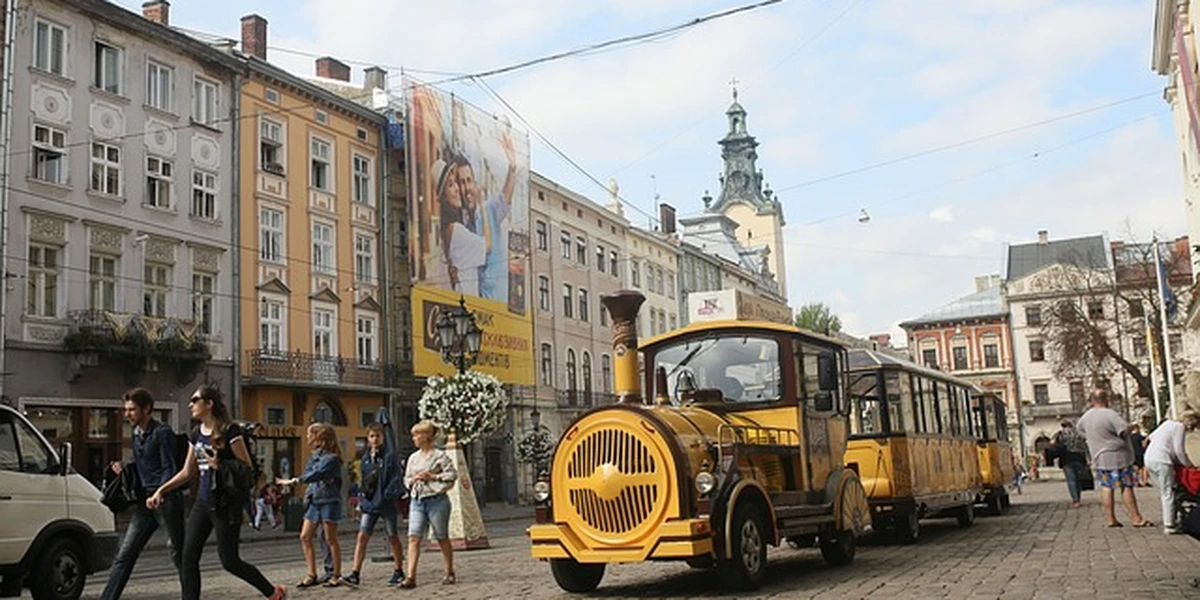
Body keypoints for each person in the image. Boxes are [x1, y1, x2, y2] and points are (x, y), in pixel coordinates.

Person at [146, 385, 286, 600]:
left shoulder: (230, 431)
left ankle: (273, 592)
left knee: (230, 561)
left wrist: (219, 465)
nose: (190, 405)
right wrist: (161, 491)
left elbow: (247, 468)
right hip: (203, 502)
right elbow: (187, 472)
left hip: (225, 503)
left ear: (209, 404)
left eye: (195, 400)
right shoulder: (196, 433)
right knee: (187, 558)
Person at [100, 388, 187, 600]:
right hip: (145, 502)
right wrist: (124, 467)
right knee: (125, 554)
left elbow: (169, 467)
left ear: (146, 409)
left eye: (132, 410)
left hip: (167, 500)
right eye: (126, 410)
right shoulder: (136, 433)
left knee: (178, 554)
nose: (127, 414)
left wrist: (160, 492)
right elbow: (143, 465)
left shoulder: (162, 432)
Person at [277, 423, 347, 588]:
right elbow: (309, 472)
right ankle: (311, 574)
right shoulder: (315, 456)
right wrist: (300, 480)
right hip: (314, 501)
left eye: (310, 434)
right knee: (305, 536)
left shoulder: (332, 459)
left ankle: (336, 575)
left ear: (319, 437)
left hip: (328, 501)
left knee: (330, 538)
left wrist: (295, 481)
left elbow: (316, 474)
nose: (307, 437)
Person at [1076, 388, 1153, 528]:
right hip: (1118, 456)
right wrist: (1132, 427)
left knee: (1106, 487)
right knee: (1126, 486)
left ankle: (1111, 519)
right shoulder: (1110, 414)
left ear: (1092, 400)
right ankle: (1136, 518)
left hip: (1099, 456)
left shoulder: (1085, 417)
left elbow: (1080, 431)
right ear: (1107, 399)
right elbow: (1123, 431)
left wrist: (1093, 439)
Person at [346, 422, 405, 587]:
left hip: (386, 504)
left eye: (378, 436)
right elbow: (365, 481)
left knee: (393, 536)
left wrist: (387, 495)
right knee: (362, 536)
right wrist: (363, 499)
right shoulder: (366, 458)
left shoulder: (390, 456)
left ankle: (399, 570)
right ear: (368, 438)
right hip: (370, 504)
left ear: (383, 437)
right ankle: (355, 573)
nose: (375, 439)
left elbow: (396, 479)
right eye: (372, 436)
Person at [399, 421, 457, 589]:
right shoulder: (413, 458)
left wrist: (432, 476)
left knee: (441, 537)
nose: (414, 438)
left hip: (437, 501)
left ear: (426, 436)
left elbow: (452, 475)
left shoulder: (440, 456)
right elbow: (406, 479)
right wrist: (413, 480)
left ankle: (449, 571)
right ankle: (411, 577)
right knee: (413, 537)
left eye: (416, 435)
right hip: (417, 500)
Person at [1145, 410, 1200, 534]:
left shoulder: (1167, 424)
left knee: (1165, 491)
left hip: (1149, 458)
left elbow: (1151, 437)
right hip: (1162, 461)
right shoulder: (1179, 427)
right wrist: (1188, 465)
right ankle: (1169, 524)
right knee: (1168, 492)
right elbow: (1179, 450)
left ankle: (1172, 518)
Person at [1049, 420, 1090, 508]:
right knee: (1078, 480)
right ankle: (1078, 497)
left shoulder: (1060, 434)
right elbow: (1085, 445)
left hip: (1066, 459)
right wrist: (1088, 459)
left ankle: (1075, 500)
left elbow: (1052, 443)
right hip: (1079, 458)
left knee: (1071, 480)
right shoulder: (1078, 433)